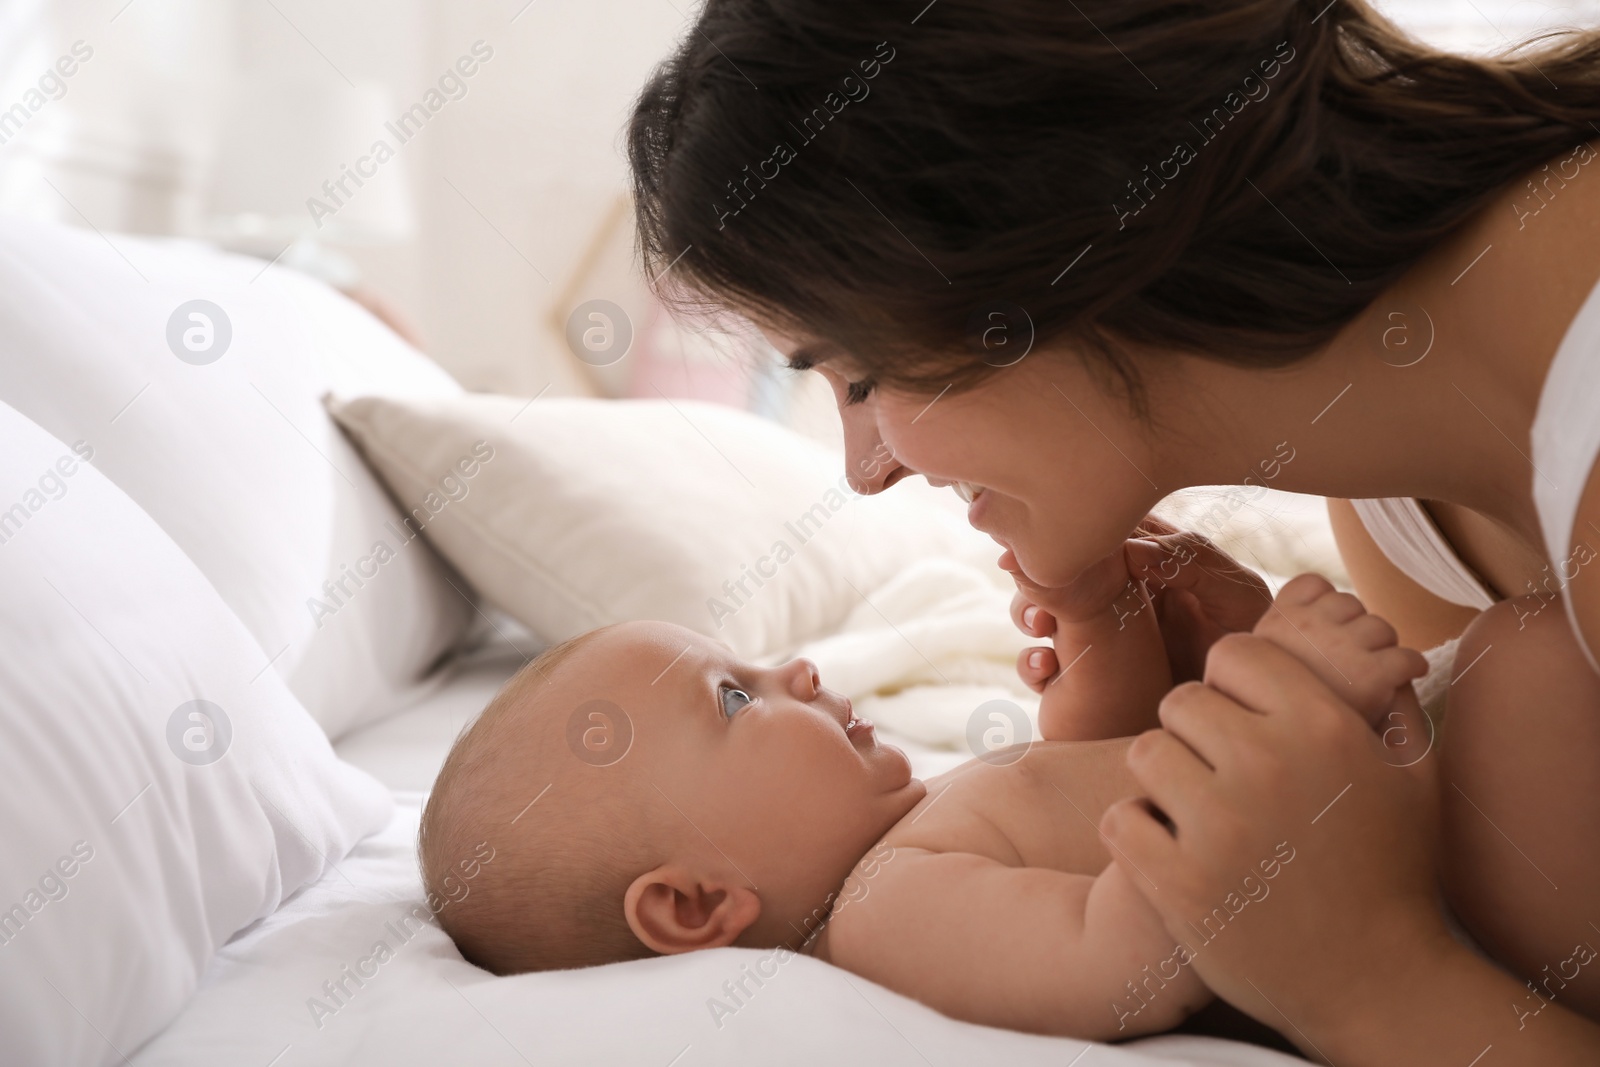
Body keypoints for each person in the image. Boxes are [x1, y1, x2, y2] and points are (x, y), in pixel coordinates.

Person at [624, 0, 1600, 1061]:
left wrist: (1369, 975)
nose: (866, 471)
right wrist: (1251, 728)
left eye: (857, 374)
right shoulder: (1394, 502)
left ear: (1031, 239)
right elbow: (1493, 852)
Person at [418, 562, 1428, 1041]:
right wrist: (1279, 703)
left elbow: (1086, 781)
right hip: (1411, 869)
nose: (798, 672)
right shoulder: (886, 916)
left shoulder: (903, 835)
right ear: (695, 904)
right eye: (735, 696)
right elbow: (1128, 948)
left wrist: (1100, 623)